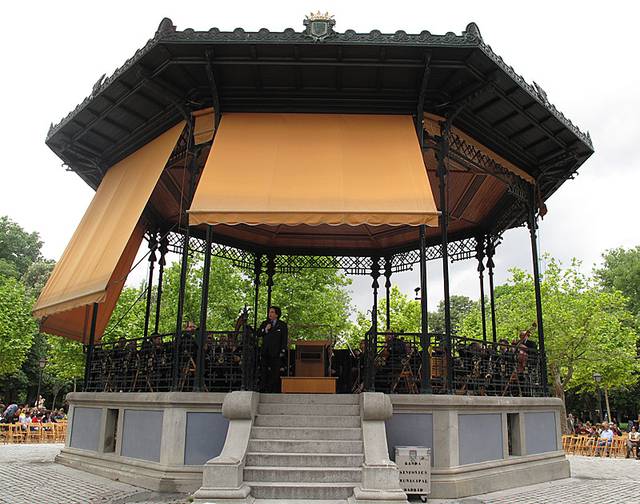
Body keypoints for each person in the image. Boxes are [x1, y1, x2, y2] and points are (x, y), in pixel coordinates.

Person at [258, 306, 288, 393]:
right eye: (269, 312)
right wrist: (265, 329)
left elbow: (284, 339)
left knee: (275, 372)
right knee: (264, 370)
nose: (269, 314)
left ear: (277, 314)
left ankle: (273, 389)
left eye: (272, 312)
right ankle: (263, 388)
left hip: (276, 352)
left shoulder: (282, 325)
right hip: (265, 351)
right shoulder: (265, 323)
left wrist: (282, 350)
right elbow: (258, 333)